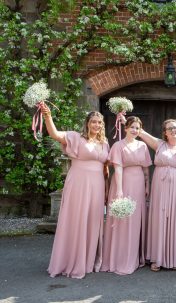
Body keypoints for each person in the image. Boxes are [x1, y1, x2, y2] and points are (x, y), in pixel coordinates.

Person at [43, 104, 110, 279]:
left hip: (97, 185)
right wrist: (47, 115)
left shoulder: (104, 143)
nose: (96, 125)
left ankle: (88, 259)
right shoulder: (76, 137)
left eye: (99, 123)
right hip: (78, 183)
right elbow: (55, 134)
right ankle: (71, 259)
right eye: (93, 122)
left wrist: (108, 189)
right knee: (76, 218)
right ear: (87, 123)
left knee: (93, 219)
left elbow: (106, 168)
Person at [140, 119, 176, 271]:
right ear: (165, 132)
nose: (173, 130)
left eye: (175, 127)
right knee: (159, 218)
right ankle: (156, 258)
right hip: (160, 187)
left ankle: (175, 259)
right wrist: (125, 119)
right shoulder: (160, 145)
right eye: (169, 128)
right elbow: (141, 132)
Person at [101, 116, 152, 275]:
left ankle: (135, 256)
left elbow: (145, 168)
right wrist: (120, 190)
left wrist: (147, 184)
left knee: (136, 218)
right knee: (122, 219)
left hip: (138, 184)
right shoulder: (118, 145)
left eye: (137, 128)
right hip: (122, 182)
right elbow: (118, 168)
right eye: (132, 127)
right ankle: (119, 257)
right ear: (125, 128)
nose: (135, 130)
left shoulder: (142, 145)